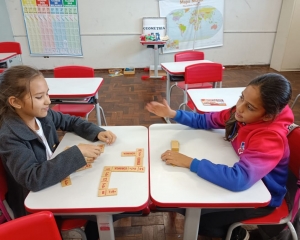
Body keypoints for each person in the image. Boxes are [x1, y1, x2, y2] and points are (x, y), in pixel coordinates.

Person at [146, 73, 294, 240]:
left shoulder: (270, 138)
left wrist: (190, 162)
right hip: (244, 179)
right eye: (241, 98)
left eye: (250, 107)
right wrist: (174, 114)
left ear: (267, 116)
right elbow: (206, 120)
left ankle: (239, 235)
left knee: (200, 222)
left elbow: (239, 179)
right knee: (185, 206)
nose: (239, 107)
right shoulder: (241, 114)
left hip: (262, 198)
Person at [0, 65, 116, 239]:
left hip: (55, 182)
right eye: (40, 97)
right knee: (105, 206)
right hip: (36, 201)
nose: (48, 101)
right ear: (15, 102)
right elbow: (33, 178)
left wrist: (95, 131)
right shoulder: (10, 136)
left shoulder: (41, 115)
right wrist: (77, 154)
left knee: (106, 202)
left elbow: (69, 121)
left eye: (47, 93)